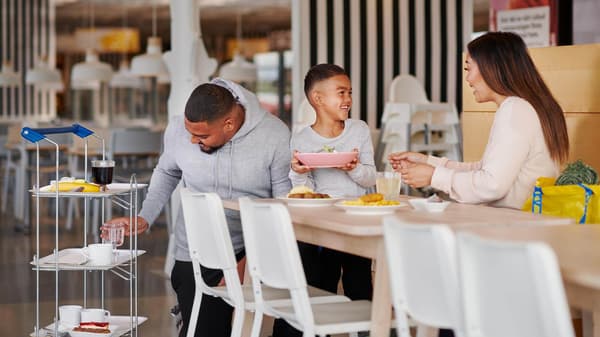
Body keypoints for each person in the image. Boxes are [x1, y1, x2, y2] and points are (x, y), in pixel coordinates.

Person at [105, 78, 292, 337]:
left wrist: (250, 263)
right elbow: (167, 171)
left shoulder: (275, 135)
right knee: (204, 330)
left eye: (202, 135)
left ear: (229, 124)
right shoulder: (179, 129)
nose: (192, 140)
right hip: (195, 251)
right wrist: (144, 217)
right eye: (189, 132)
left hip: (249, 249)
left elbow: (284, 206)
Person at [389, 31, 569, 211]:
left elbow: (492, 185)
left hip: (514, 227)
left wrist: (434, 176)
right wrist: (427, 162)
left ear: (491, 67)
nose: (467, 79)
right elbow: (484, 170)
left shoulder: (515, 109)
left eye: (468, 68)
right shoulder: (534, 107)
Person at [281, 63, 376, 336]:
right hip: (322, 225)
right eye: (341, 93)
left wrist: (353, 168)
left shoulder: (358, 130)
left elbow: (370, 177)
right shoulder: (302, 138)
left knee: (360, 288)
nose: (348, 100)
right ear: (317, 99)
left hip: (356, 220)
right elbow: (303, 191)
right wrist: (298, 172)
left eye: (349, 93)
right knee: (322, 287)